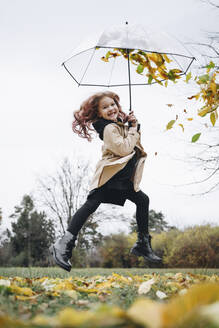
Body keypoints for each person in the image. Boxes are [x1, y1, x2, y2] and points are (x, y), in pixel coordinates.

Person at [49, 91, 162, 271]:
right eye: (105, 107)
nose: (111, 108)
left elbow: (134, 146)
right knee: (91, 204)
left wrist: (133, 125)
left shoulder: (116, 126)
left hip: (122, 179)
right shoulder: (109, 129)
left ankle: (142, 243)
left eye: (113, 104)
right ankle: (63, 244)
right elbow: (124, 149)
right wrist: (132, 129)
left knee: (142, 200)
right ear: (98, 113)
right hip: (111, 177)